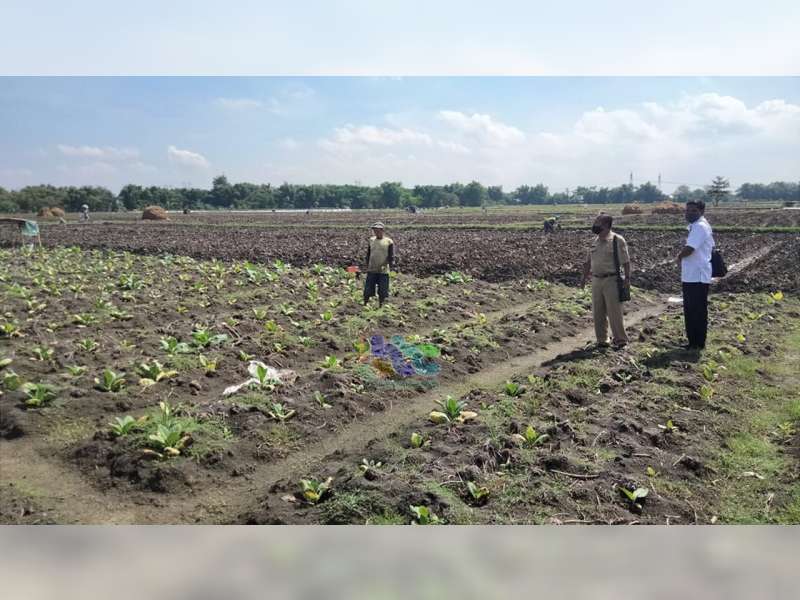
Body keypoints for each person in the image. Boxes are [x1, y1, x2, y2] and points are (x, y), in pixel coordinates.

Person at [581, 214, 631, 349]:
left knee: (614, 312)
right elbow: (588, 262)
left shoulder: (617, 240)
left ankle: (620, 340)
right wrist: (584, 278)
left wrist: (627, 279)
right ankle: (602, 340)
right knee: (598, 311)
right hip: (596, 280)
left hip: (611, 280)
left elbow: (626, 262)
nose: (595, 225)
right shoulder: (594, 241)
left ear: (607, 225)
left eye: (598, 223)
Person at [676, 199, 714, 350]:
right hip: (694, 275)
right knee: (693, 309)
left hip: (696, 276)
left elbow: (690, 248)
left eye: (693, 211)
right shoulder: (698, 226)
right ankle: (695, 341)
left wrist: (679, 256)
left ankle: (696, 343)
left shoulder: (699, 227)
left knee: (695, 310)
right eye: (687, 210)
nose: (689, 213)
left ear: (701, 212)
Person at [363, 222, 394, 307]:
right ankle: (365, 303)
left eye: (378, 230)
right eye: (374, 230)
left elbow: (391, 256)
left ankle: (381, 305)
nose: (376, 232)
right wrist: (367, 264)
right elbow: (368, 254)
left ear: (382, 230)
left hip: (383, 270)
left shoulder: (388, 241)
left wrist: (390, 266)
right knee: (368, 289)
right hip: (372, 268)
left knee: (383, 290)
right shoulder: (371, 240)